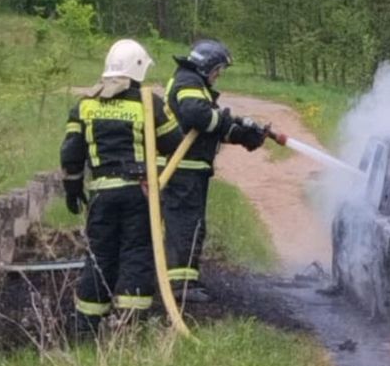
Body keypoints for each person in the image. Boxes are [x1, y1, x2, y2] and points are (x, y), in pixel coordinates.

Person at [61, 39, 182, 333]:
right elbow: (174, 143)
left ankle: (87, 325)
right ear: (139, 68)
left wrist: (73, 187)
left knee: (99, 254)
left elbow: (71, 153)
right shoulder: (148, 102)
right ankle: (130, 325)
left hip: (102, 194)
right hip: (139, 193)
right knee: (137, 252)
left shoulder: (86, 104)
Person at [161, 39, 267, 302]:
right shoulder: (188, 82)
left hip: (190, 170)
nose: (218, 75)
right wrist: (230, 119)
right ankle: (179, 287)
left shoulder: (194, 84)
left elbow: (210, 128)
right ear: (206, 65)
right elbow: (198, 117)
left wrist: (243, 135)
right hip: (182, 169)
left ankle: (185, 281)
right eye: (218, 69)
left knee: (192, 225)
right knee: (185, 226)